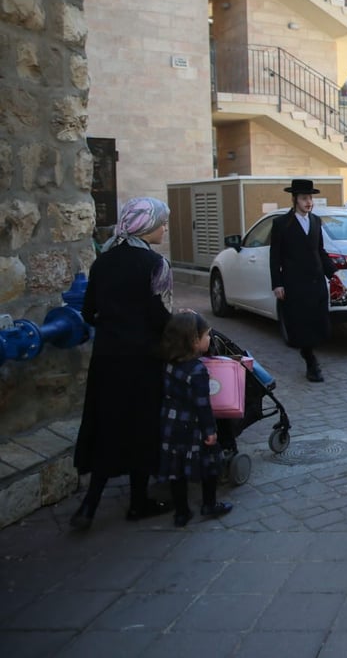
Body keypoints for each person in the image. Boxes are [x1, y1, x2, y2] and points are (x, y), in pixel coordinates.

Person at [71, 197, 174, 530]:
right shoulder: (155, 264)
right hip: (143, 361)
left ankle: (89, 505)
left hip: (107, 360)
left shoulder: (102, 262)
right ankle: (138, 502)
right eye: (162, 223)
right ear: (146, 226)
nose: (165, 228)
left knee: (109, 428)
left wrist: (114, 322)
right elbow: (161, 318)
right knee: (142, 428)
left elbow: (88, 313)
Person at [159, 311, 233, 527]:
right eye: (207, 335)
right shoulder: (198, 370)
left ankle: (181, 512)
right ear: (193, 340)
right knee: (209, 463)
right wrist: (210, 431)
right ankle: (209, 503)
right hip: (192, 426)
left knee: (176, 469)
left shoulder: (168, 363)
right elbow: (202, 405)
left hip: (170, 423)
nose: (209, 339)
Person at [270, 179, 336, 382]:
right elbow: (275, 257)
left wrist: (333, 273)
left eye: (310, 198)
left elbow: (320, 250)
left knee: (318, 322)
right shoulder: (281, 224)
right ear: (295, 199)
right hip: (295, 283)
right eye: (304, 198)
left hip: (316, 281)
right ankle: (311, 362)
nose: (309, 202)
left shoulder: (316, 221)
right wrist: (277, 283)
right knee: (301, 324)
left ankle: (311, 355)